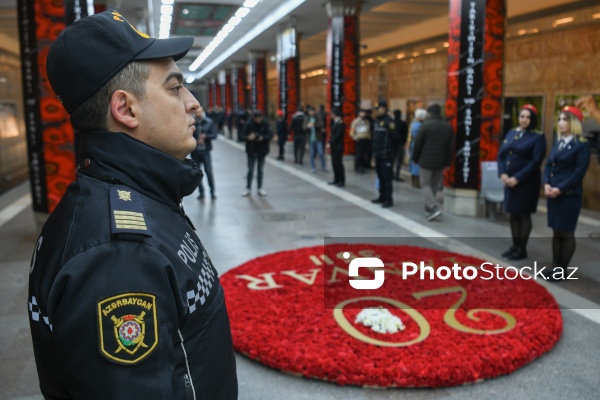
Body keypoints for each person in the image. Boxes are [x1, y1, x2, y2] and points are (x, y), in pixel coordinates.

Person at [28, 10, 237, 399]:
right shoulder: (119, 256)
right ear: (125, 109)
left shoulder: (136, 198)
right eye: (175, 88)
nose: (194, 105)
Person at [543, 106, 591, 281]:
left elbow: (578, 173)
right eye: (560, 119)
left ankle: (562, 271)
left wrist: (560, 188)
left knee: (566, 232)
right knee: (556, 232)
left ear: (574, 123)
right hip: (553, 193)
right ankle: (555, 266)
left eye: (565, 119)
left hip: (568, 196)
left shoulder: (582, 145)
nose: (561, 123)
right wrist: (547, 183)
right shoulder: (559, 141)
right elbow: (549, 165)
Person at [497, 104, 546, 260]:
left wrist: (517, 178)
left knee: (523, 215)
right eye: (522, 116)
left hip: (526, 183)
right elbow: (502, 155)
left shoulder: (537, 137)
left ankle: (521, 248)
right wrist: (503, 173)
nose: (524, 120)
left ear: (533, 120)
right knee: (513, 214)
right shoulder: (512, 133)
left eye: (528, 117)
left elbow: (535, 162)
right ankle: (514, 245)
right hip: (508, 180)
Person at [412, 104, 454, 220]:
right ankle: (429, 210)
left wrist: (415, 158)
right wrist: (448, 162)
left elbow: (418, 145)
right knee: (434, 185)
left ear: (430, 113)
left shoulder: (425, 126)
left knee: (425, 184)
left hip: (426, 161)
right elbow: (451, 147)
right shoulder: (448, 127)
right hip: (441, 161)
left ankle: (433, 207)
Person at [371, 100, 398, 208]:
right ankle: (381, 196)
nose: (376, 111)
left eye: (378, 109)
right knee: (380, 176)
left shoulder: (389, 122)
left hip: (386, 154)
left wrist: (391, 153)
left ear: (383, 109)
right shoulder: (377, 121)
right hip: (378, 154)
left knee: (387, 178)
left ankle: (388, 199)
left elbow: (395, 138)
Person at [240, 110, 273, 196]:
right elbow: (241, 135)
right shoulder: (248, 124)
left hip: (262, 150)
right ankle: (248, 188)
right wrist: (248, 137)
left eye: (260, 118)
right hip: (251, 150)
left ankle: (260, 188)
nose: (259, 120)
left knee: (260, 170)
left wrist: (263, 138)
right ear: (254, 118)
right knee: (250, 170)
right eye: (257, 118)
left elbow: (270, 134)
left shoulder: (265, 123)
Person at [191, 106, 218, 200]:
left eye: (200, 112)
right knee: (197, 173)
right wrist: (194, 140)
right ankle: (201, 192)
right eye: (197, 112)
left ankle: (212, 192)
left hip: (205, 151)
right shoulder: (191, 122)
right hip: (195, 152)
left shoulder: (208, 122)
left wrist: (206, 136)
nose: (198, 114)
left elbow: (214, 135)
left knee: (209, 172)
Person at [349, 108, 372, 174]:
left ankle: (362, 166)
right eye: (362, 113)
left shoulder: (367, 121)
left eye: (364, 113)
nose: (364, 114)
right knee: (358, 155)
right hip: (359, 139)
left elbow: (368, 130)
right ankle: (357, 167)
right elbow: (352, 131)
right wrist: (355, 137)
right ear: (359, 113)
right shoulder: (356, 121)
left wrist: (369, 137)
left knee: (363, 154)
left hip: (365, 139)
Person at [408, 108, 426, 188]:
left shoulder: (413, 124)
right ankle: (416, 182)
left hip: (413, 143)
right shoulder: (420, 125)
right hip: (418, 144)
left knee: (413, 161)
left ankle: (413, 181)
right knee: (416, 162)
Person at [306, 106, 327, 173]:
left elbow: (321, 124)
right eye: (310, 111)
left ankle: (324, 166)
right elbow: (303, 126)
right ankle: (313, 167)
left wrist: (314, 124)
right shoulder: (307, 118)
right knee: (312, 154)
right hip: (311, 138)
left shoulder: (318, 117)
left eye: (312, 111)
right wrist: (307, 126)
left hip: (318, 138)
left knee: (321, 153)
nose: (311, 112)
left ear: (314, 111)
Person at [328, 106, 345, 187]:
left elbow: (337, 136)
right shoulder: (334, 122)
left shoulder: (341, 123)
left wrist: (330, 143)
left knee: (338, 163)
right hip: (334, 146)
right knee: (334, 163)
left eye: (332, 113)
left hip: (338, 146)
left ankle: (341, 180)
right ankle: (336, 179)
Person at [392, 109, 409, 182]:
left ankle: (391, 174)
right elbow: (406, 134)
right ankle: (397, 175)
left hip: (392, 144)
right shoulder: (404, 123)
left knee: (392, 159)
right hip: (400, 144)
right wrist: (404, 142)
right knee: (399, 161)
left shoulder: (391, 123)